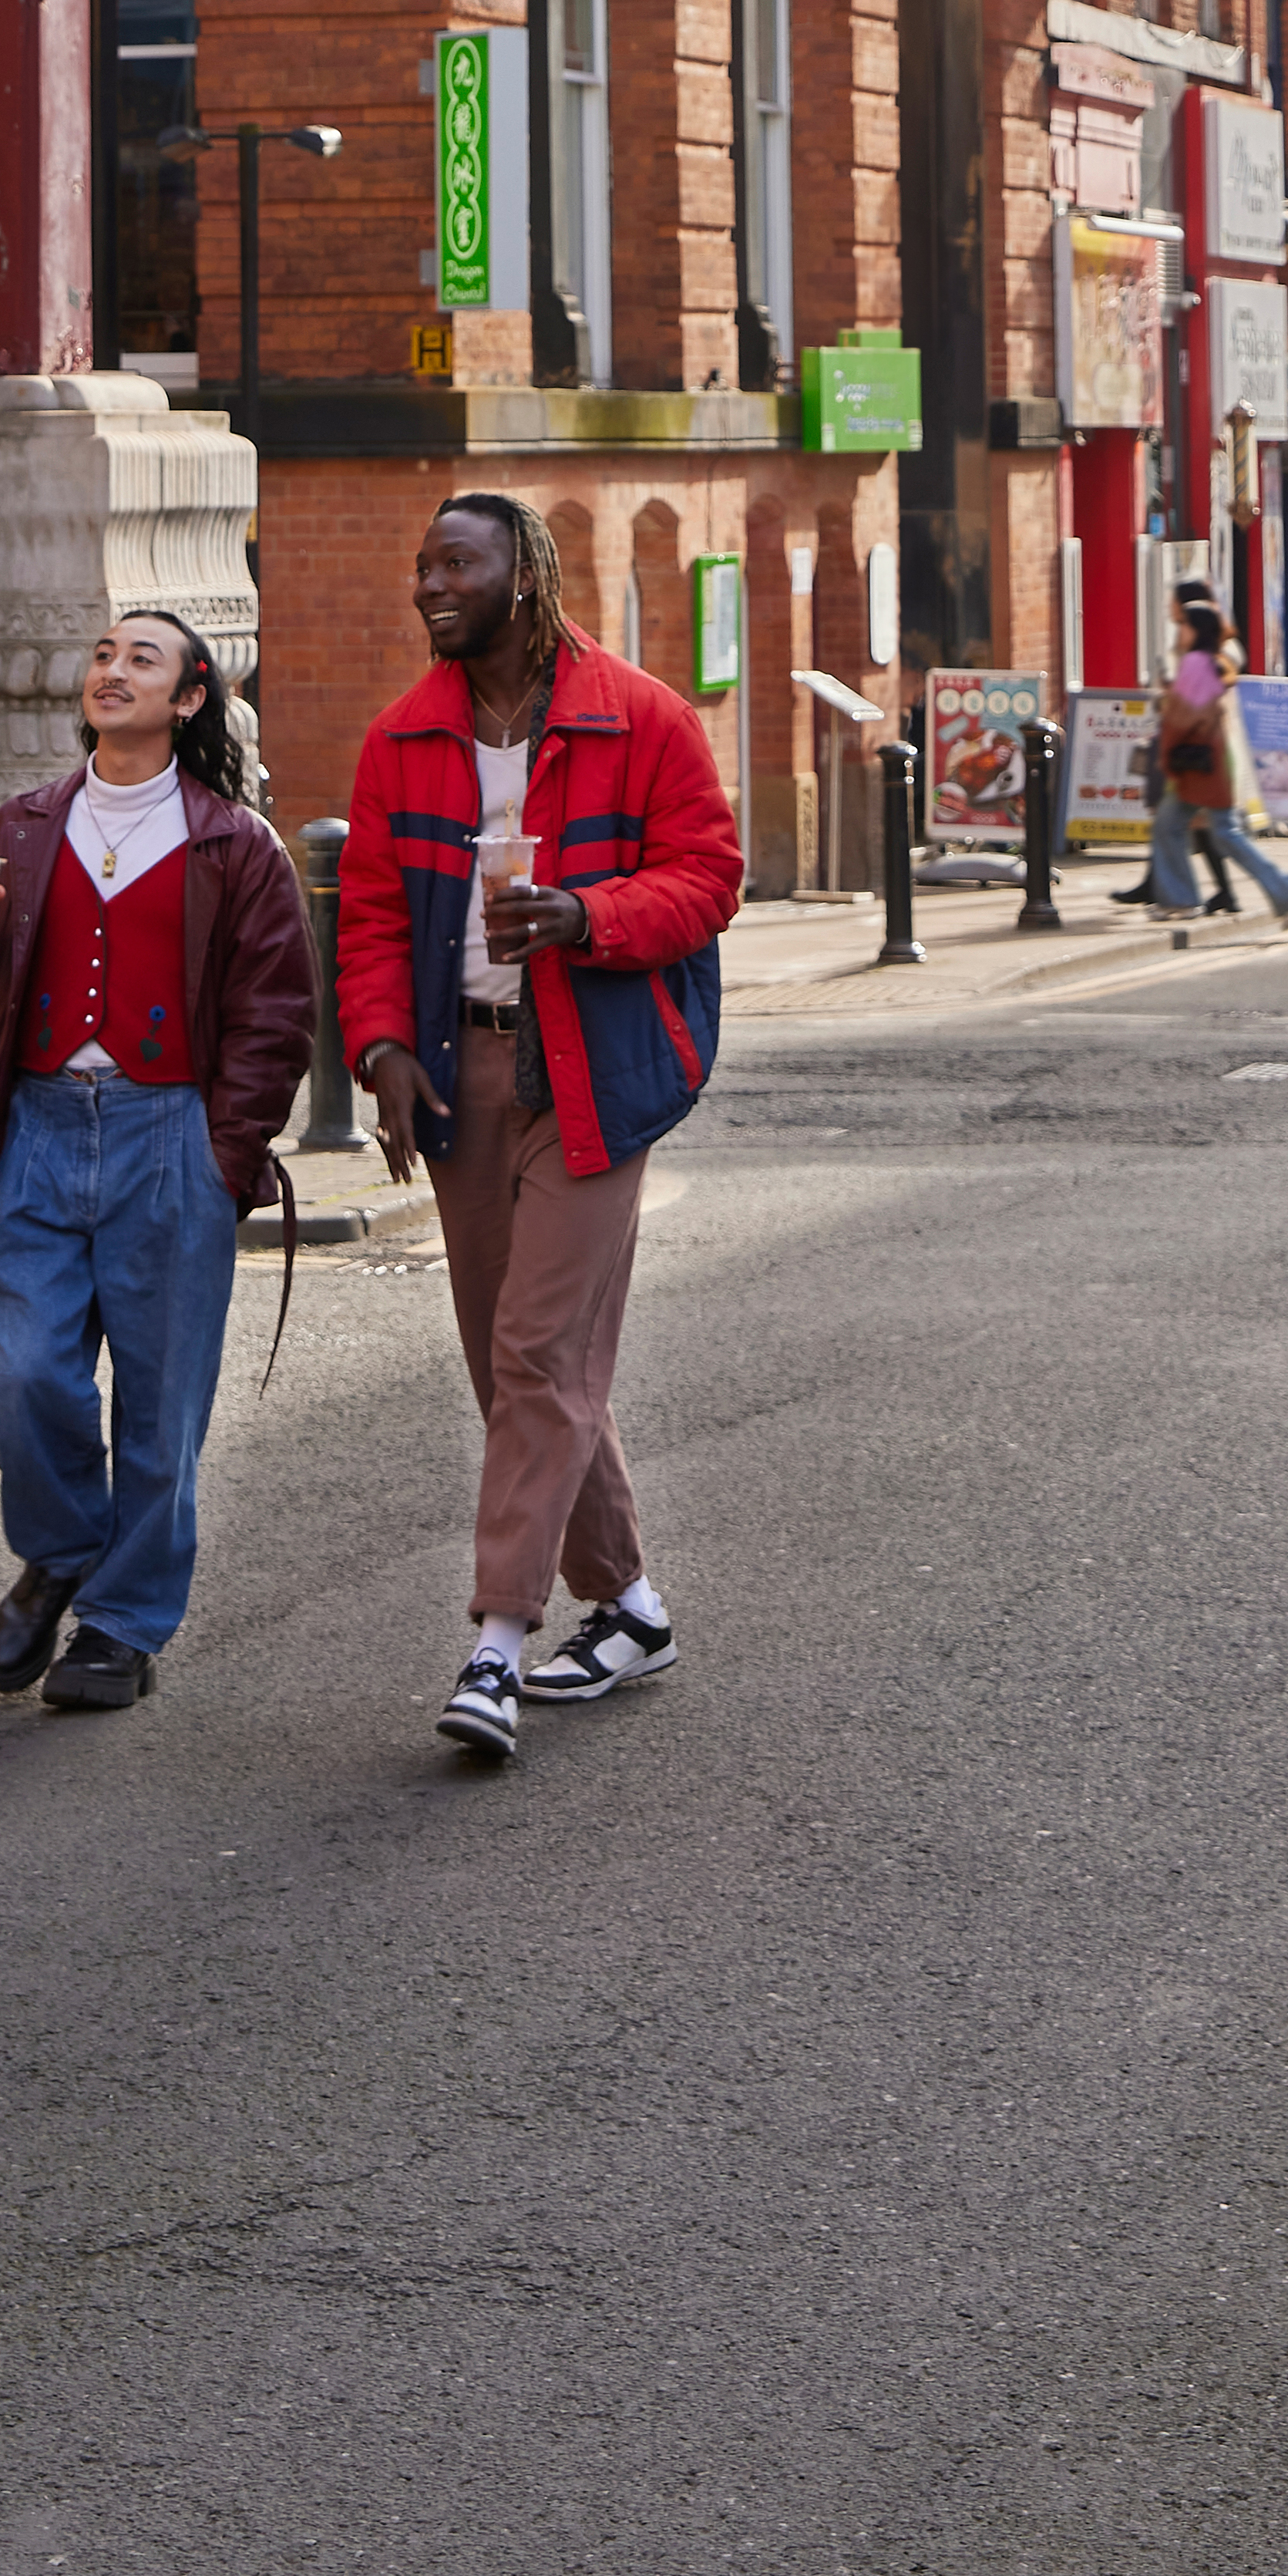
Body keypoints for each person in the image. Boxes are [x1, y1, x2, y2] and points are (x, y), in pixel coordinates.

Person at [338, 490, 742, 1764]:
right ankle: (627, 1604)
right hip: (461, 1076)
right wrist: (381, 1048)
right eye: (422, 562)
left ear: (528, 572)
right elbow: (369, 922)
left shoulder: (638, 715)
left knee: (535, 1350)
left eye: (455, 560)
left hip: (591, 1074)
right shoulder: (402, 738)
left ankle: (498, 1643)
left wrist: (590, 917)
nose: (429, 582)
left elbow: (709, 874)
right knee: (519, 1366)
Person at [0, 605, 317, 1715]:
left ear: (189, 698)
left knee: (161, 1405)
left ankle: (122, 1627)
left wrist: (222, 1155)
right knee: (12, 1371)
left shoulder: (234, 844)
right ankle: (62, 1548)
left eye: (142, 657)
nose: (113, 668)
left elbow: (276, 1015)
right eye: (103, 652)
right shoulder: (25, 824)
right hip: (42, 1124)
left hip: (168, 1132)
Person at [1137, 588, 1288, 927]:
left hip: (1199, 764)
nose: (1179, 631)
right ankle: (1185, 898)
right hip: (1206, 760)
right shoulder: (1208, 662)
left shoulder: (1197, 663)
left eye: (1184, 625)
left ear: (1197, 630)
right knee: (1176, 827)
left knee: (1221, 833)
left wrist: (1167, 710)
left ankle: (1282, 888)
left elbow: (1188, 715)